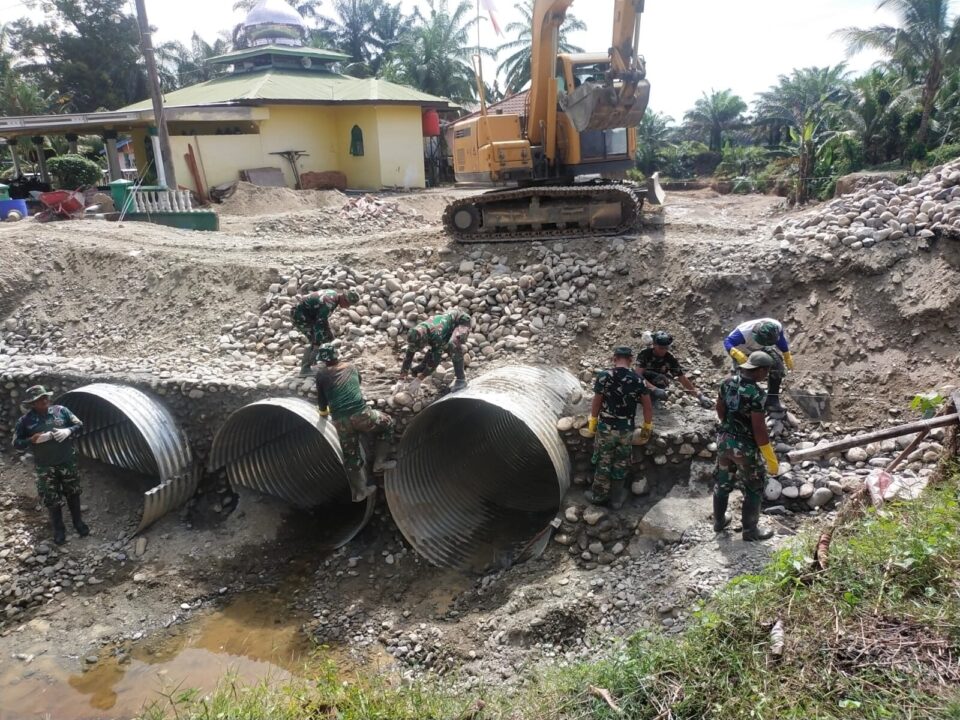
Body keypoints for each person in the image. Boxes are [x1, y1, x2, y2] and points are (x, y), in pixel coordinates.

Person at [713, 351, 779, 541]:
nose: (766, 375)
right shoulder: (757, 394)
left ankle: (719, 522)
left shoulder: (727, 383)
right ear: (759, 370)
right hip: (744, 448)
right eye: (766, 371)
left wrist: (728, 425)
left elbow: (719, 408)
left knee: (723, 482)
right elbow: (759, 428)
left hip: (724, 442)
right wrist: (770, 458)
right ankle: (750, 531)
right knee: (753, 487)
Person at [316, 343, 395, 501]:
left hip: (340, 422)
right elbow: (357, 383)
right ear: (336, 355)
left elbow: (322, 404)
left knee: (351, 456)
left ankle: (360, 492)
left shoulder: (321, 375)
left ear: (323, 360)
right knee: (388, 424)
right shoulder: (351, 367)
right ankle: (379, 462)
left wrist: (324, 414)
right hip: (362, 415)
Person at [12, 385, 87, 545]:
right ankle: (59, 530)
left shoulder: (61, 411)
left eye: (45, 397)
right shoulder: (25, 421)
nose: (45, 401)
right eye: (40, 399)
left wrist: (68, 431)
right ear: (32, 403)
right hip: (45, 467)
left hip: (67, 461)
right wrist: (31, 440)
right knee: (52, 499)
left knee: (73, 493)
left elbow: (80, 425)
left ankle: (78, 523)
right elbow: (16, 443)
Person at [580, 346, 654, 506]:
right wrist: (647, 426)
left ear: (614, 359)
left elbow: (597, 401)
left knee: (603, 462)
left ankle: (599, 497)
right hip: (626, 430)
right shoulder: (638, 380)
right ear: (630, 360)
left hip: (606, 428)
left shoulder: (603, 376)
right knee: (621, 463)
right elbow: (648, 406)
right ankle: (616, 500)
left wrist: (593, 420)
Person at [722, 318, 794, 412]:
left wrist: (786, 354)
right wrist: (736, 354)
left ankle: (772, 401)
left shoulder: (776, 327)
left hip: (763, 348)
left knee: (778, 367)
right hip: (742, 351)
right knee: (745, 377)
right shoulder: (743, 333)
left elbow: (780, 340)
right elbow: (727, 342)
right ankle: (740, 403)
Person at [635, 331, 713, 409]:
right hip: (642, 384)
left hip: (656, 383)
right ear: (654, 345)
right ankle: (641, 398)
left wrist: (699, 396)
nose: (663, 351)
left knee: (662, 379)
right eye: (661, 348)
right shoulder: (645, 354)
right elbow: (638, 375)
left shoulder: (669, 359)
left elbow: (682, 378)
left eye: (666, 348)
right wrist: (654, 389)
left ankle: (652, 399)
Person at [292, 288, 361, 376]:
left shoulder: (334, 295)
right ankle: (305, 369)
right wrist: (317, 341)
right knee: (314, 341)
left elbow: (322, 319)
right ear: (344, 299)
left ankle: (322, 361)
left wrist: (328, 332)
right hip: (300, 316)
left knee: (327, 337)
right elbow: (319, 323)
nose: (347, 306)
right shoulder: (330, 302)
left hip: (308, 314)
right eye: (348, 304)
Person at [400, 308, 471, 391]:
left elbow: (435, 361)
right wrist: (401, 378)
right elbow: (409, 354)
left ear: (424, 340)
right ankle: (423, 366)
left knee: (453, 345)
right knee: (435, 345)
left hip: (461, 321)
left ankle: (461, 379)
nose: (417, 349)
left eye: (419, 347)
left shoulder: (436, 335)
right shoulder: (416, 333)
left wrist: (420, 379)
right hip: (447, 324)